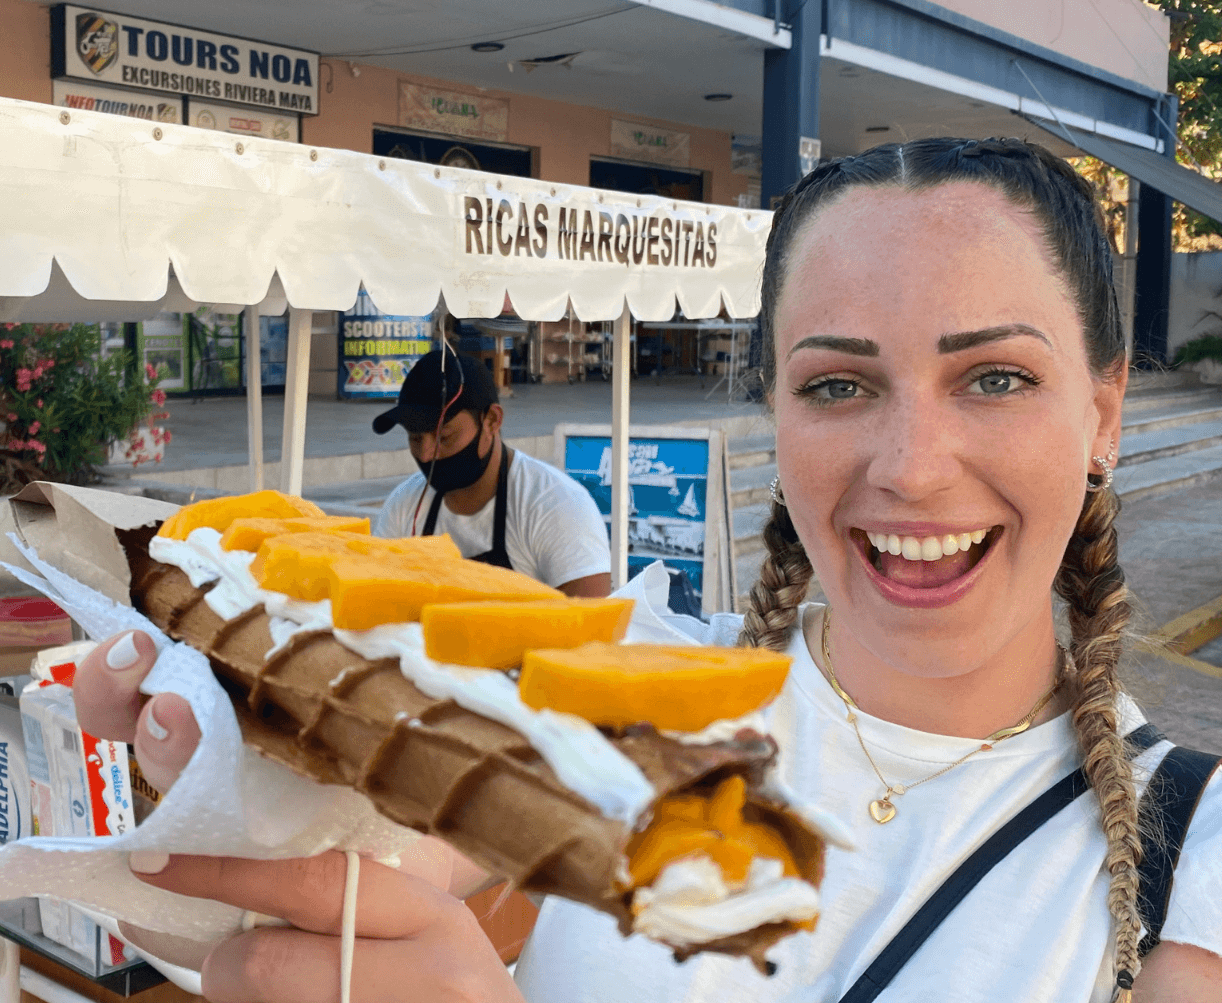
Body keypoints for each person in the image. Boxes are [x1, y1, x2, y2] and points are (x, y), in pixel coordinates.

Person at [72, 138, 1222, 1002]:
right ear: (776, 412)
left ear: (1106, 414)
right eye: (838, 386)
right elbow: (285, 900)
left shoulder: (1199, 862)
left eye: (996, 379)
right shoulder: (610, 692)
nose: (914, 471)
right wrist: (227, 768)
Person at [370, 347, 612, 597]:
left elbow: (592, 620)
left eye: (444, 436)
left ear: (492, 421)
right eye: (415, 439)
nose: (426, 454)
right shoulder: (404, 506)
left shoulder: (556, 505)